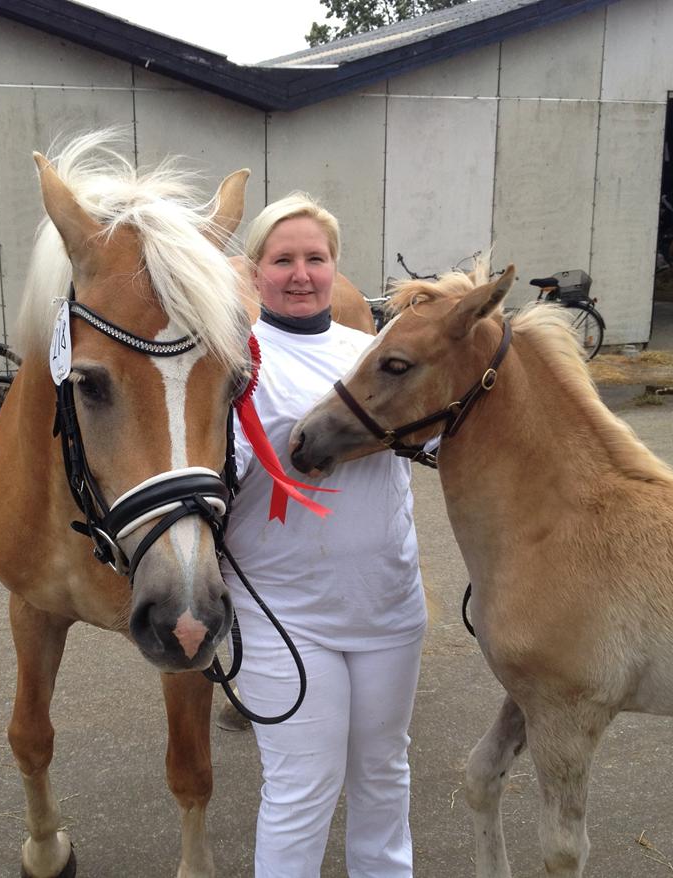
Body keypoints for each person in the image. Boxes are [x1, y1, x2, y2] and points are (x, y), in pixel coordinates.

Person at [223, 192, 427, 877]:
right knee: (302, 787)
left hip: (387, 604)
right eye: (283, 259)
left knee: (383, 772)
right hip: (283, 611)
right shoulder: (234, 364)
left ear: (335, 267)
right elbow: (217, 476)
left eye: (315, 258)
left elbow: (440, 439)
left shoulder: (375, 354)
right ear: (255, 270)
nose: (301, 274)